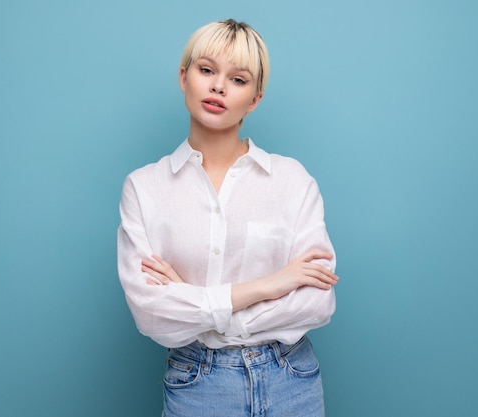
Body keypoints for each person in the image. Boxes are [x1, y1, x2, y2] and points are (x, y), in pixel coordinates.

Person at [117, 18, 338, 417]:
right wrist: (270, 284)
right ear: (184, 77)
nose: (219, 86)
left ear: (254, 99)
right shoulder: (144, 188)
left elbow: (316, 302)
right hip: (198, 384)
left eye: (238, 79)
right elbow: (150, 312)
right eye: (206, 70)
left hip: (292, 379)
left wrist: (198, 306)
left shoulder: (291, 180)